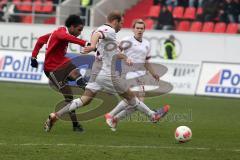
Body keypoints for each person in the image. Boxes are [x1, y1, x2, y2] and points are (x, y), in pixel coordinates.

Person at [44, 11, 169, 132]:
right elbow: (97, 34)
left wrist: (125, 57)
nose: (122, 26)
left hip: (96, 73)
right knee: (130, 96)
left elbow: (112, 51)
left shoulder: (108, 33)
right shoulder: (108, 30)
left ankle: (56, 115)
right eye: (121, 23)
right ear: (115, 21)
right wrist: (92, 45)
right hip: (107, 73)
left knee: (84, 100)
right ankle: (152, 115)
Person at [104, 19, 170, 131]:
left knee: (137, 103)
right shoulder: (126, 40)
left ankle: (114, 118)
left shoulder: (147, 44)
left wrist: (154, 73)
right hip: (129, 74)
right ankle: (152, 115)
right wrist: (124, 58)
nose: (139, 30)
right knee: (133, 99)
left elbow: (146, 62)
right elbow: (115, 52)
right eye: (137, 28)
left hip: (141, 75)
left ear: (144, 30)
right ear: (133, 29)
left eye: (141, 28)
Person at [31, 14, 90, 132]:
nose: (79, 33)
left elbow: (40, 40)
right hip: (52, 69)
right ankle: (75, 124)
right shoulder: (60, 33)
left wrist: (33, 57)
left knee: (77, 75)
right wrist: (86, 43)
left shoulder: (58, 33)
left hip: (62, 63)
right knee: (69, 98)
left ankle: (86, 89)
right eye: (79, 30)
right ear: (72, 27)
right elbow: (67, 38)